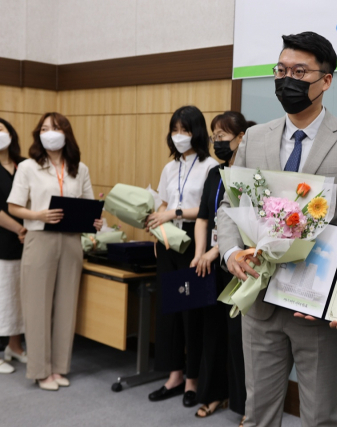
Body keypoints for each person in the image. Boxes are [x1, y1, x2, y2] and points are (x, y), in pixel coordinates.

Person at [217, 32, 337, 427]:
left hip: (316, 312)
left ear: (326, 80)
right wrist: (230, 252)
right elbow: (229, 205)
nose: (287, 79)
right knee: (257, 412)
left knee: (320, 416)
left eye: (299, 71)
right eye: (281, 70)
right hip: (259, 302)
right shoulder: (254, 138)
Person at [7, 112, 103, 390]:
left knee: (66, 305)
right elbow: (13, 206)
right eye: (46, 128)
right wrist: (39, 215)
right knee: (37, 307)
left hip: (72, 241)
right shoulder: (28, 167)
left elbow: (87, 205)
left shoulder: (79, 168)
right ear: (39, 133)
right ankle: (40, 370)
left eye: (57, 128)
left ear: (66, 133)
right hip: (40, 239)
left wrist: (93, 220)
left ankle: (60, 367)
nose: (51, 132)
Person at [146, 106, 218, 407]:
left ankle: (192, 380)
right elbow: (162, 202)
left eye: (185, 130)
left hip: (193, 240)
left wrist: (171, 213)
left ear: (197, 132)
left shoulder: (210, 166)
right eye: (175, 130)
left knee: (192, 314)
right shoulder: (169, 166)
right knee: (169, 312)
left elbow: (205, 210)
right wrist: (154, 218)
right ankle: (173, 375)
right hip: (167, 240)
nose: (179, 136)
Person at [190, 111, 255, 421]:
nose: (218, 141)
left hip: (237, 265)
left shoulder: (250, 175)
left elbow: (247, 225)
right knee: (211, 333)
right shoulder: (214, 173)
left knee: (238, 340)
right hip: (209, 266)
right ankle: (214, 393)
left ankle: (244, 407)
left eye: (223, 136)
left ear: (242, 137)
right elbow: (204, 216)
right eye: (214, 136)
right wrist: (200, 252)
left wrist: (216, 251)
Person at [0, 118, 27, 375]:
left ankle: (15, 347)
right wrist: (19, 228)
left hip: (27, 241)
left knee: (17, 297)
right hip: (5, 240)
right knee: (1, 297)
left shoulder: (24, 165)